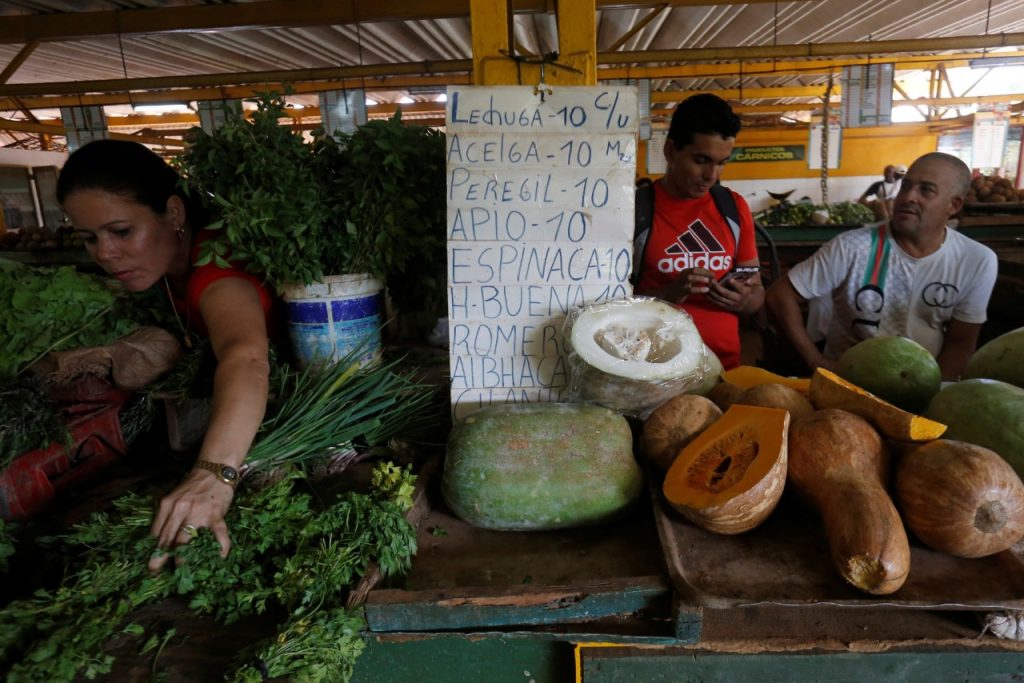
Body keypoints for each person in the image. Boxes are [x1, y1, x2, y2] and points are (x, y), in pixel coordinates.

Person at [57, 139, 279, 570]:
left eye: (121, 231)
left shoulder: (216, 268)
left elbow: (246, 356)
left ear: (174, 213)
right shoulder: (168, 267)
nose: (104, 253)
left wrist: (214, 476)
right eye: (89, 238)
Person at [766, 152, 998, 381]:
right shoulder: (852, 247)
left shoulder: (975, 260)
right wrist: (816, 362)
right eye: (906, 186)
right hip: (848, 384)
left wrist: (935, 391)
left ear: (954, 205)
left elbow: (961, 343)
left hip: (921, 385)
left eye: (926, 190)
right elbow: (779, 295)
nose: (908, 197)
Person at [633, 94, 764, 370]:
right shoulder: (636, 211)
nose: (711, 175)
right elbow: (609, 304)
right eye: (701, 160)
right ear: (670, 151)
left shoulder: (734, 208)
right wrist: (668, 294)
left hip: (725, 369)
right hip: (655, 370)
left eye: (722, 162)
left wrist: (743, 300)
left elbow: (757, 294)